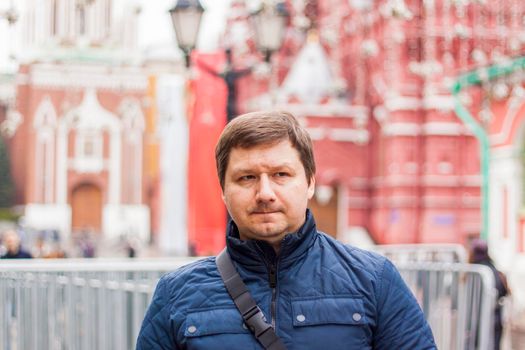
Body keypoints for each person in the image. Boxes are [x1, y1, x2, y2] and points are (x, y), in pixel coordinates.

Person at [136, 111, 436, 349]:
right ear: (223, 191)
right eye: (246, 178)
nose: (265, 192)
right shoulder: (177, 295)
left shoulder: (374, 281)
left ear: (310, 183)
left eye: (281, 174)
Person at [469, 239, 510, 350]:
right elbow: (504, 292)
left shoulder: (474, 272)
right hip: (495, 318)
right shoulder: (495, 271)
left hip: (478, 319)